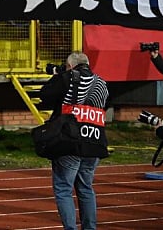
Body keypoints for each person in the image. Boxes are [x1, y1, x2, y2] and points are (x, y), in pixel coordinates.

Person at [40, 52, 109, 230]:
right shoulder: (101, 82)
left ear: (70, 66)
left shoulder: (67, 78)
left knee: (63, 189)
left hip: (69, 141)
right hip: (94, 140)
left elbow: (45, 96)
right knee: (86, 188)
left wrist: (58, 75)